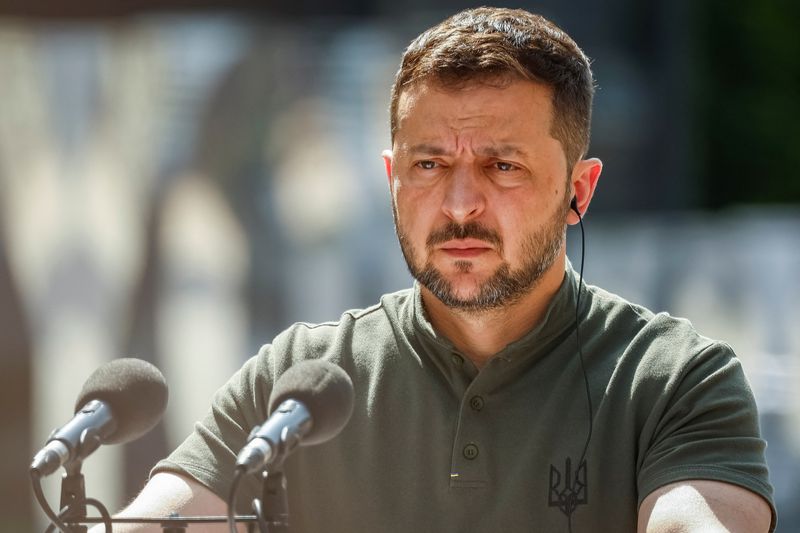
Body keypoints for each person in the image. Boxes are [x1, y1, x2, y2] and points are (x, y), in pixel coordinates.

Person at [104, 7, 776, 532]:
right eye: (429, 165)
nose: (459, 205)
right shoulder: (301, 384)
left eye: (502, 165)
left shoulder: (674, 380)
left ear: (580, 190)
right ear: (392, 179)